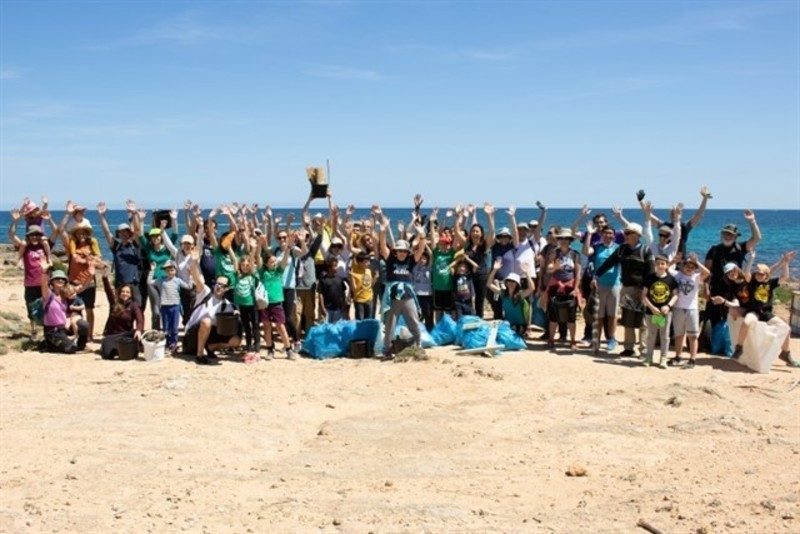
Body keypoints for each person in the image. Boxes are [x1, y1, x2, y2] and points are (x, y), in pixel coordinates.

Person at [595, 222, 654, 356]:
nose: (625, 235)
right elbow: (608, 263)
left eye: (628, 233)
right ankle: (629, 348)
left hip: (642, 291)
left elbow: (650, 273)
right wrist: (596, 275)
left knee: (642, 321)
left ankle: (643, 350)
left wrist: (645, 290)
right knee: (628, 318)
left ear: (637, 235)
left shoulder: (645, 250)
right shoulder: (622, 249)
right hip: (626, 289)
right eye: (625, 233)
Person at [732, 251, 797, 366]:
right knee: (747, 322)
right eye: (757, 273)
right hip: (753, 311)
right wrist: (752, 258)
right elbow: (747, 272)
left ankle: (785, 353)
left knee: (786, 328)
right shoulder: (752, 282)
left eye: (762, 274)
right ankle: (739, 348)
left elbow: (785, 277)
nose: (759, 275)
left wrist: (785, 263)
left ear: (766, 275)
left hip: (766, 313)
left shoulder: (770, 283)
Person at [378, 209, 427, 360]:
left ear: (407, 252)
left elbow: (421, 249)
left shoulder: (411, 262)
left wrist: (422, 235)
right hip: (392, 299)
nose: (401, 253)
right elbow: (382, 246)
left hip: (408, 297)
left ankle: (418, 345)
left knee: (414, 322)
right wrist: (383, 230)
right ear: (396, 251)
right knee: (390, 326)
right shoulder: (391, 260)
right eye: (399, 251)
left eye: (404, 251)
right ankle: (387, 350)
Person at [704, 210, 761, 331]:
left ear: (735, 236)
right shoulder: (714, 250)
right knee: (709, 324)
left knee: (732, 322)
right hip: (716, 290)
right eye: (725, 233)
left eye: (730, 234)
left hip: (734, 292)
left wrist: (752, 221)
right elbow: (707, 272)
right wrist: (705, 287)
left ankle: (731, 345)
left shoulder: (740, 248)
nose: (727, 236)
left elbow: (757, 238)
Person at [183, 248, 241, 365]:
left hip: (209, 334)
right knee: (207, 321)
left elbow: (227, 326)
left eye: (223, 285)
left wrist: (235, 317)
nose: (219, 287)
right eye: (218, 284)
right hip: (192, 337)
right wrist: (194, 262)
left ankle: (210, 347)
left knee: (236, 340)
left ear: (226, 289)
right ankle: (200, 355)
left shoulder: (227, 305)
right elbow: (196, 278)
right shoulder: (205, 292)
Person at [8, 211, 52, 337]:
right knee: (30, 307)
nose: (34, 237)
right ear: (28, 236)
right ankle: (33, 331)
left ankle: (47, 331)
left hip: (44, 283)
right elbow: (11, 235)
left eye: (37, 234)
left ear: (40, 235)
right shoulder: (25, 247)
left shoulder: (44, 246)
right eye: (32, 235)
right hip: (30, 283)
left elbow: (56, 233)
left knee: (47, 307)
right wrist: (15, 221)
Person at [97, 202, 143, 306]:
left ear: (129, 233)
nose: (123, 233)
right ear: (118, 233)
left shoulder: (134, 245)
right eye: (121, 232)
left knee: (137, 309)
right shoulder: (116, 246)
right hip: (119, 283)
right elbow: (106, 232)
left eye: (125, 231)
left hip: (133, 283)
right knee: (119, 309)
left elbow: (137, 230)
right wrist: (101, 216)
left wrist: (134, 213)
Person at [669, 253, 710, 368]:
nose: (689, 268)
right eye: (687, 265)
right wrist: (674, 261)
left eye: (692, 266)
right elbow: (665, 269)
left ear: (695, 268)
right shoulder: (677, 275)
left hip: (692, 309)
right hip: (678, 308)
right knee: (679, 335)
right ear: (683, 266)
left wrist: (697, 262)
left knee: (693, 336)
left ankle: (692, 359)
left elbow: (707, 272)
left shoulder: (696, 277)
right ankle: (678, 356)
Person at [584, 223, 621, 352]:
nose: (608, 235)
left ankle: (611, 339)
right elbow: (585, 252)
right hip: (599, 285)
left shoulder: (619, 248)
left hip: (615, 285)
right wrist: (589, 234)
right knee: (598, 315)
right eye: (605, 233)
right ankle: (596, 340)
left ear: (614, 235)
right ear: (601, 234)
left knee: (612, 314)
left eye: (610, 233)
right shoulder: (597, 247)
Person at [256, 239, 295, 360]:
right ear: (266, 263)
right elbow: (258, 257)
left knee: (280, 326)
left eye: (274, 261)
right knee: (267, 326)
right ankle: (270, 349)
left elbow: (283, 261)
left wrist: (288, 249)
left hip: (277, 302)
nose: (274, 263)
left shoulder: (279, 271)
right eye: (272, 262)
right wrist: (259, 245)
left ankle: (288, 349)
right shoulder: (263, 272)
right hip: (265, 303)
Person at [543, 228, 581, 350]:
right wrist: (555, 267)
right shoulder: (554, 252)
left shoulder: (575, 254)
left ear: (570, 240)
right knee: (553, 316)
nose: (563, 241)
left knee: (571, 317)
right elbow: (548, 269)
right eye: (561, 238)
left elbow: (578, 273)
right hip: (555, 286)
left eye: (566, 238)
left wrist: (576, 289)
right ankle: (551, 339)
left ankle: (573, 341)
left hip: (570, 288)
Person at [38, 264, 89, 354]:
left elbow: (81, 287)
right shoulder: (49, 296)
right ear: (52, 282)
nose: (60, 280)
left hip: (64, 328)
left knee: (83, 325)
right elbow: (44, 285)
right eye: (57, 278)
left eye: (63, 279)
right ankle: (51, 344)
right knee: (71, 348)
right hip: (53, 331)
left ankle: (81, 346)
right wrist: (44, 272)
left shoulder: (66, 296)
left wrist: (91, 273)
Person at [65, 219, 101, 342]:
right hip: (75, 282)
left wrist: (89, 259)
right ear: (75, 235)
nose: (82, 235)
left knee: (89, 309)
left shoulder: (92, 244)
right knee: (75, 309)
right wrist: (86, 260)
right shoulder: (72, 245)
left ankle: (90, 335)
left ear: (87, 233)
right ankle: (79, 334)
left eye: (84, 233)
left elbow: (98, 260)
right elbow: (75, 258)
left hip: (89, 282)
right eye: (79, 233)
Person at [99, 264, 144, 359]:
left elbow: (140, 320)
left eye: (127, 292)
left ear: (131, 294)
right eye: (123, 291)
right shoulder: (114, 303)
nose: (125, 294)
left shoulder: (133, 305)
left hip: (126, 335)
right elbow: (108, 290)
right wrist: (104, 277)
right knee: (107, 355)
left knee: (136, 335)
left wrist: (139, 330)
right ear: (119, 293)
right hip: (112, 335)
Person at [641, 255, 678, 368]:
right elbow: (644, 295)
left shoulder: (671, 279)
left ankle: (663, 358)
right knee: (651, 335)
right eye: (658, 264)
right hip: (651, 312)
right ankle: (648, 357)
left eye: (663, 264)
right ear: (655, 265)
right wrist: (652, 307)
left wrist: (668, 306)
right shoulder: (650, 278)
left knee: (665, 336)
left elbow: (675, 295)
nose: (660, 266)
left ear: (667, 265)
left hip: (665, 313)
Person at [148, 259, 192, 352]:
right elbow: (149, 282)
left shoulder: (178, 280)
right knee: (166, 327)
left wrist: (190, 275)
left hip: (175, 306)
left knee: (174, 327)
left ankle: (174, 344)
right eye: (167, 270)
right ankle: (167, 344)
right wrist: (152, 270)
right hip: (164, 307)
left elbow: (189, 286)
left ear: (175, 271)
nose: (170, 272)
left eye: (172, 270)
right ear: (165, 271)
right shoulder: (161, 280)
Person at [228, 249, 261, 362]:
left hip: (253, 305)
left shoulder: (253, 275)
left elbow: (253, 263)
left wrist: (252, 252)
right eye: (243, 265)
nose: (245, 267)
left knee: (255, 326)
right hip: (242, 306)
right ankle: (249, 346)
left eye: (247, 265)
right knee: (246, 327)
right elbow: (234, 261)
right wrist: (229, 249)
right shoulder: (237, 275)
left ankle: (257, 349)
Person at [487, 260, 534, 337]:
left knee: (508, 333)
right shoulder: (503, 293)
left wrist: (527, 273)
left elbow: (532, 288)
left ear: (517, 284)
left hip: (519, 326)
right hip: (507, 324)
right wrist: (494, 270)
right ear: (506, 282)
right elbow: (489, 284)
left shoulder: (520, 295)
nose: (511, 283)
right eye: (509, 281)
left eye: (513, 282)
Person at [319, 257, 348, 323]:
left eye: (336, 265)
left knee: (336, 328)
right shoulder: (323, 280)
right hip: (327, 309)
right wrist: (323, 307)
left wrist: (344, 304)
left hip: (338, 309)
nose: (336, 267)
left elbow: (343, 293)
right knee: (327, 328)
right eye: (334, 266)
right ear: (329, 268)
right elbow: (321, 294)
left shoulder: (339, 279)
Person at [350, 251, 377, 320]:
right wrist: (351, 278)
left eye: (368, 261)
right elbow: (354, 289)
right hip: (359, 300)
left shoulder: (368, 271)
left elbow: (370, 285)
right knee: (360, 321)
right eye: (366, 262)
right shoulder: (354, 273)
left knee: (368, 320)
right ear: (359, 263)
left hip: (369, 299)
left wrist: (375, 278)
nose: (368, 263)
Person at [450, 253, 478, 319]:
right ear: (457, 268)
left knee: (470, 319)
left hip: (468, 301)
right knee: (460, 319)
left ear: (467, 269)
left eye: (464, 267)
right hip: (458, 302)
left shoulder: (469, 276)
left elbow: (476, 266)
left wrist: (467, 259)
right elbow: (450, 267)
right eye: (460, 267)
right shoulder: (455, 276)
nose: (462, 268)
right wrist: (458, 260)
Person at [412, 249, 434, 330]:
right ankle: (416, 331)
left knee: (428, 314)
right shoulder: (414, 268)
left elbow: (431, 255)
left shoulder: (429, 268)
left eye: (424, 259)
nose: (422, 260)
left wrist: (426, 245)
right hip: (416, 294)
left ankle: (429, 330)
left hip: (428, 295)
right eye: (420, 258)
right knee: (417, 315)